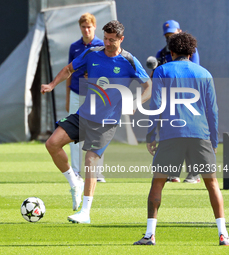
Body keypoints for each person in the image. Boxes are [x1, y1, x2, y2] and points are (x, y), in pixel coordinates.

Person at [42, 20, 151, 223]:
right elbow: (68, 69)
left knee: (90, 161)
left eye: (112, 40)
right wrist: (51, 84)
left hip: (107, 122)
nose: (108, 43)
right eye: (106, 38)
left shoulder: (129, 61)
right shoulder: (92, 53)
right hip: (84, 115)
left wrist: (136, 102)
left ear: (121, 39)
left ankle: (85, 212)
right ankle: (74, 183)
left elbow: (148, 86)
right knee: (52, 144)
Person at [134, 32, 229, 245]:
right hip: (200, 134)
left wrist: (151, 135)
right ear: (192, 51)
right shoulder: (204, 73)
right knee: (212, 183)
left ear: (172, 51)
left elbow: (155, 105)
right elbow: (213, 111)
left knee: (158, 182)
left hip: (171, 134)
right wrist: (213, 141)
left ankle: (150, 235)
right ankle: (223, 234)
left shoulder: (161, 71)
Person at [155, 19, 200, 183]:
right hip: (168, 101)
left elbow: (193, 73)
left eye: (173, 34)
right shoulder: (161, 53)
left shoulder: (190, 51)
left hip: (188, 98)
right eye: (167, 35)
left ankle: (194, 173)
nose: (170, 37)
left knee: (189, 134)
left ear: (179, 32)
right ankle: (172, 172)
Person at [66, 13, 105, 182]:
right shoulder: (74, 47)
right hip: (76, 92)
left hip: (95, 95)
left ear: (94, 27)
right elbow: (69, 71)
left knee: (96, 132)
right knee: (73, 133)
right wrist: (68, 97)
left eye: (89, 26)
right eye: (83, 27)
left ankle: (97, 173)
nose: (86, 30)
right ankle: (75, 171)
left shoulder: (102, 46)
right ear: (80, 27)